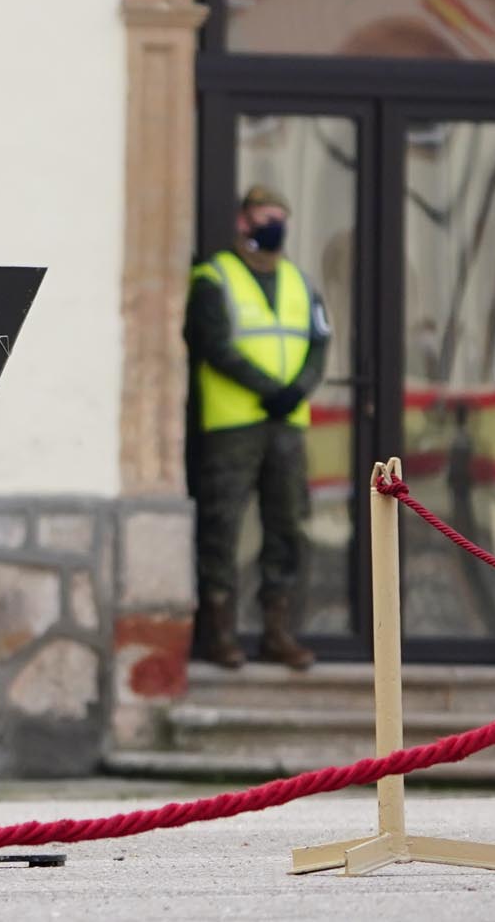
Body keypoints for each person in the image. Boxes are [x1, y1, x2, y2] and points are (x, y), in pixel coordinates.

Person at [184, 185, 330, 672]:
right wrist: (270, 389)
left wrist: (298, 389)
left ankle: (277, 632)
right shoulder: (213, 278)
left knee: (287, 526)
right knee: (222, 528)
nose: (275, 227)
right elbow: (214, 345)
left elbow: (319, 344)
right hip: (233, 426)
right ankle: (220, 633)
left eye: (281, 219)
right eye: (266, 218)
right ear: (243, 221)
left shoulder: (301, 282)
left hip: (287, 424)